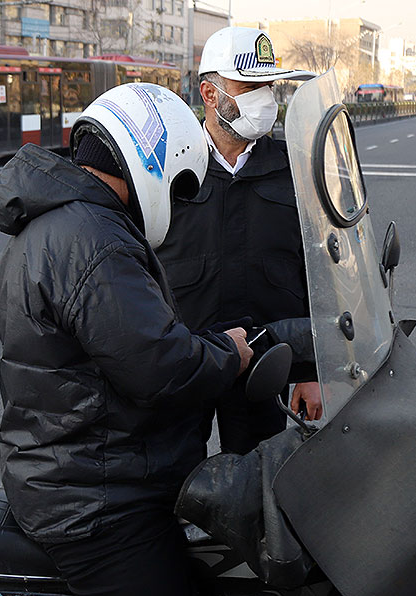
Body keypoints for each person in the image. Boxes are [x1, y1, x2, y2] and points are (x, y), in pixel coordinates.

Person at [0, 83, 253, 596]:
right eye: (181, 185)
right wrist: (230, 354)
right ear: (153, 161)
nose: (180, 199)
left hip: (78, 467)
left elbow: (127, 343)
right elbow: (160, 367)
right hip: (97, 500)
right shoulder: (94, 240)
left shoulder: (63, 222)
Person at [157, 26, 322, 456]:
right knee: (171, 482)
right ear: (209, 94)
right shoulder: (166, 165)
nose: (265, 98)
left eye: (268, 86)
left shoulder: (295, 168)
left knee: (258, 487)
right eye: (249, 87)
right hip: (184, 361)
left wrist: (310, 370)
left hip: (265, 362)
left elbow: (317, 269)